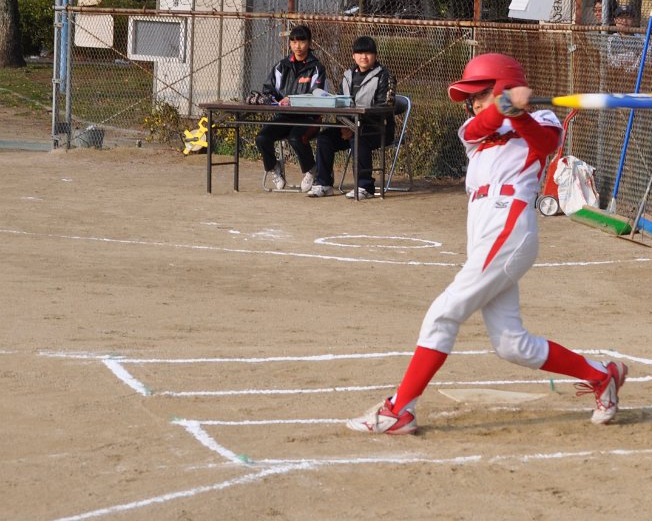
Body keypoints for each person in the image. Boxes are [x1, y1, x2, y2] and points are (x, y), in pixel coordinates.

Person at [346, 53, 628, 434]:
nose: (474, 103)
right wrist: (504, 107)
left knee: (443, 313)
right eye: (471, 97)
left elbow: (544, 143)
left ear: (503, 86)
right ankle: (601, 376)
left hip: (508, 221)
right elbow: (484, 123)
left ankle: (400, 409)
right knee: (511, 344)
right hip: (481, 227)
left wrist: (519, 113)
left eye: (481, 93)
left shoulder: (543, 119)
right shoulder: (473, 132)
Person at [307, 36, 396, 199]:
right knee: (325, 138)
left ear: (375, 55)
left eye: (368, 53)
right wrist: (345, 125)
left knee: (358, 137)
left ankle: (365, 187)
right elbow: (340, 104)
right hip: (349, 126)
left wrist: (356, 126)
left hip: (378, 129)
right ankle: (324, 184)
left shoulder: (384, 76)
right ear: (353, 56)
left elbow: (384, 107)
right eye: (360, 53)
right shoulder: (347, 75)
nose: (364, 57)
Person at [255, 25, 327, 192]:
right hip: (284, 116)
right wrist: (271, 99)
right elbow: (269, 89)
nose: (297, 46)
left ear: (309, 42)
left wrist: (292, 99)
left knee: (295, 137)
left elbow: (317, 93)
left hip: (309, 118)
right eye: (293, 42)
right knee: (262, 138)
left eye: (301, 41)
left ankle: (311, 169)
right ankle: (274, 167)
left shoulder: (317, 68)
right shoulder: (281, 66)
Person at [607, 5, 643, 70]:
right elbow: (610, 61)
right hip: (616, 73)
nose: (624, 21)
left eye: (628, 17)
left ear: (633, 20)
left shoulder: (641, 39)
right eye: (620, 18)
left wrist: (630, 70)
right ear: (615, 20)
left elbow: (646, 61)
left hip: (636, 73)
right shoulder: (611, 39)